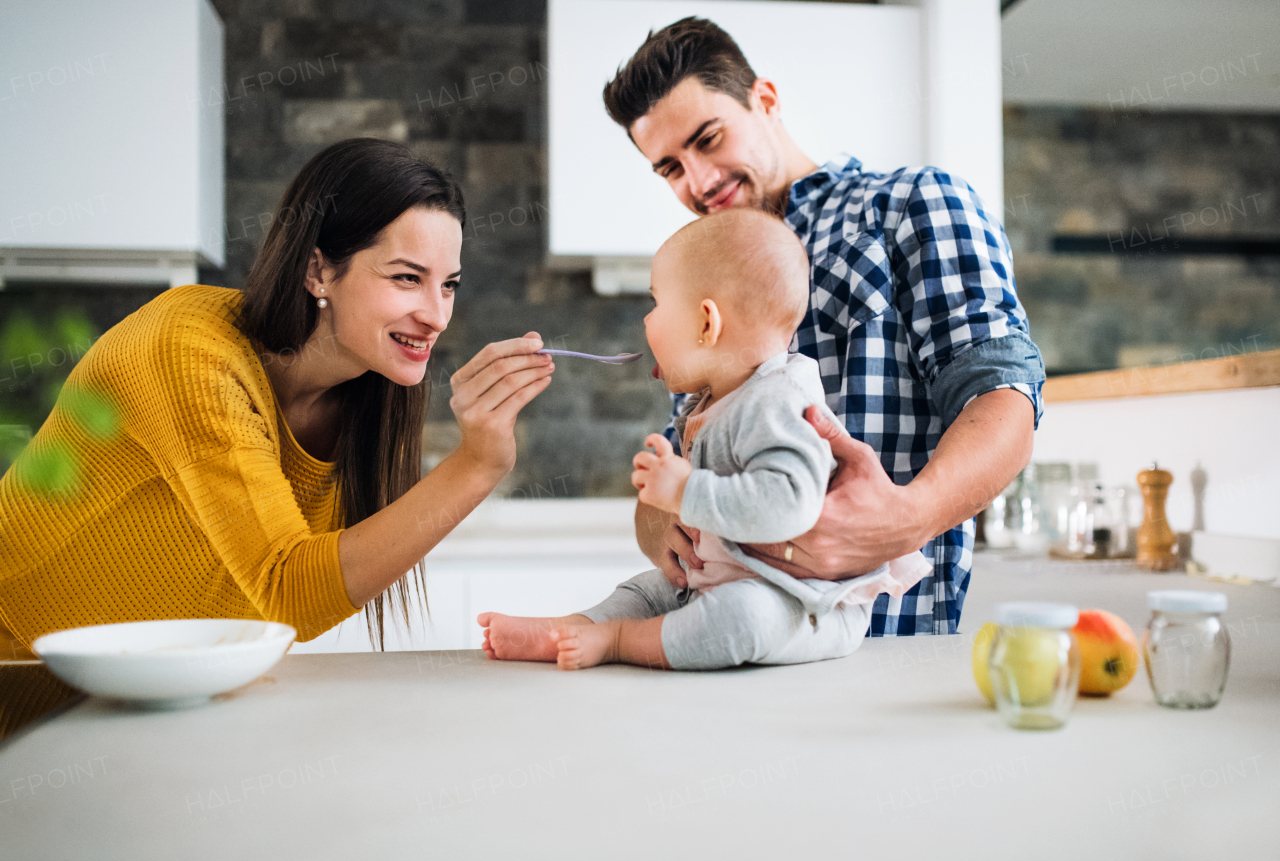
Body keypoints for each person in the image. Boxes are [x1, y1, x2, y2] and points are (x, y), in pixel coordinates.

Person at [0, 138, 555, 658]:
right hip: (23, 683)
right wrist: (478, 464)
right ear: (318, 271)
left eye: (449, 284)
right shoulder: (187, 347)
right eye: (408, 278)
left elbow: (278, 613)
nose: (436, 315)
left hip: (155, 692)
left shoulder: (372, 392)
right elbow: (286, 591)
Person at [607, 18, 1046, 637]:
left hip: (884, 653)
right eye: (671, 168)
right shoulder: (700, 271)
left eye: (708, 139)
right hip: (727, 654)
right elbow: (687, 447)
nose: (699, 181)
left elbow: (1001, 397)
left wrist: (907, 517)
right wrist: (658, 521)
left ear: (765, 100)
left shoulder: (912, 204)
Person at [478, 210, 928, 670]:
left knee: (743, 617)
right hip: (725, 577)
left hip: (803, 604)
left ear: (706, 325)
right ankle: (575, 626)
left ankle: (615, 640)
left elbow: (790, 504)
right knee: (648, 589)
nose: (647, 322)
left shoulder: (775, 402)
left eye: (655, 305)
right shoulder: (720, 398)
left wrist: (684, 490)